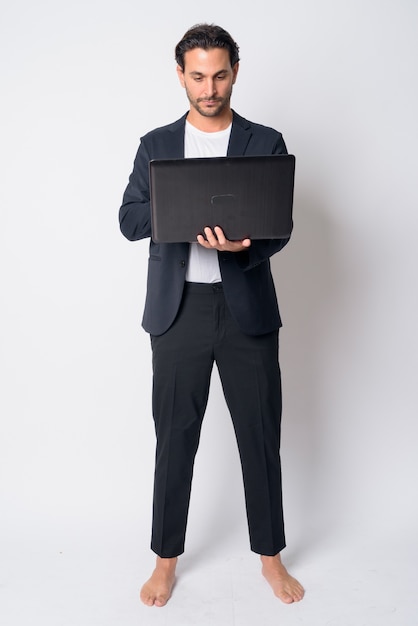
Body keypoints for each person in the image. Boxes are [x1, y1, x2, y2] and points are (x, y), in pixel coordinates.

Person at [119, 23, 304, 607]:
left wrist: (243, 245)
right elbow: (128, 218)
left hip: (246, 309)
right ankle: (165, 561)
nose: (209, 87)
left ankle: (270, 559)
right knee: (174, 440)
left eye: (219, 74)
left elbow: (282, 226)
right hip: (177, 314)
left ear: (235, 72)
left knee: (260, 437)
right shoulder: (156, 144)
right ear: (181, 75)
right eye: (197, 76)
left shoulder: (264, 141)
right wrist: (177, 214)